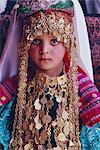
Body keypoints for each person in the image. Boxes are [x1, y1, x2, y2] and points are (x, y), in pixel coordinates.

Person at [0, 0, 100, 150]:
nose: (44, 49)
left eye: (54, 41)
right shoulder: (13, 89)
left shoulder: (82, 89)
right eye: (35, 41)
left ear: (67, 42)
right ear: (25, 45)